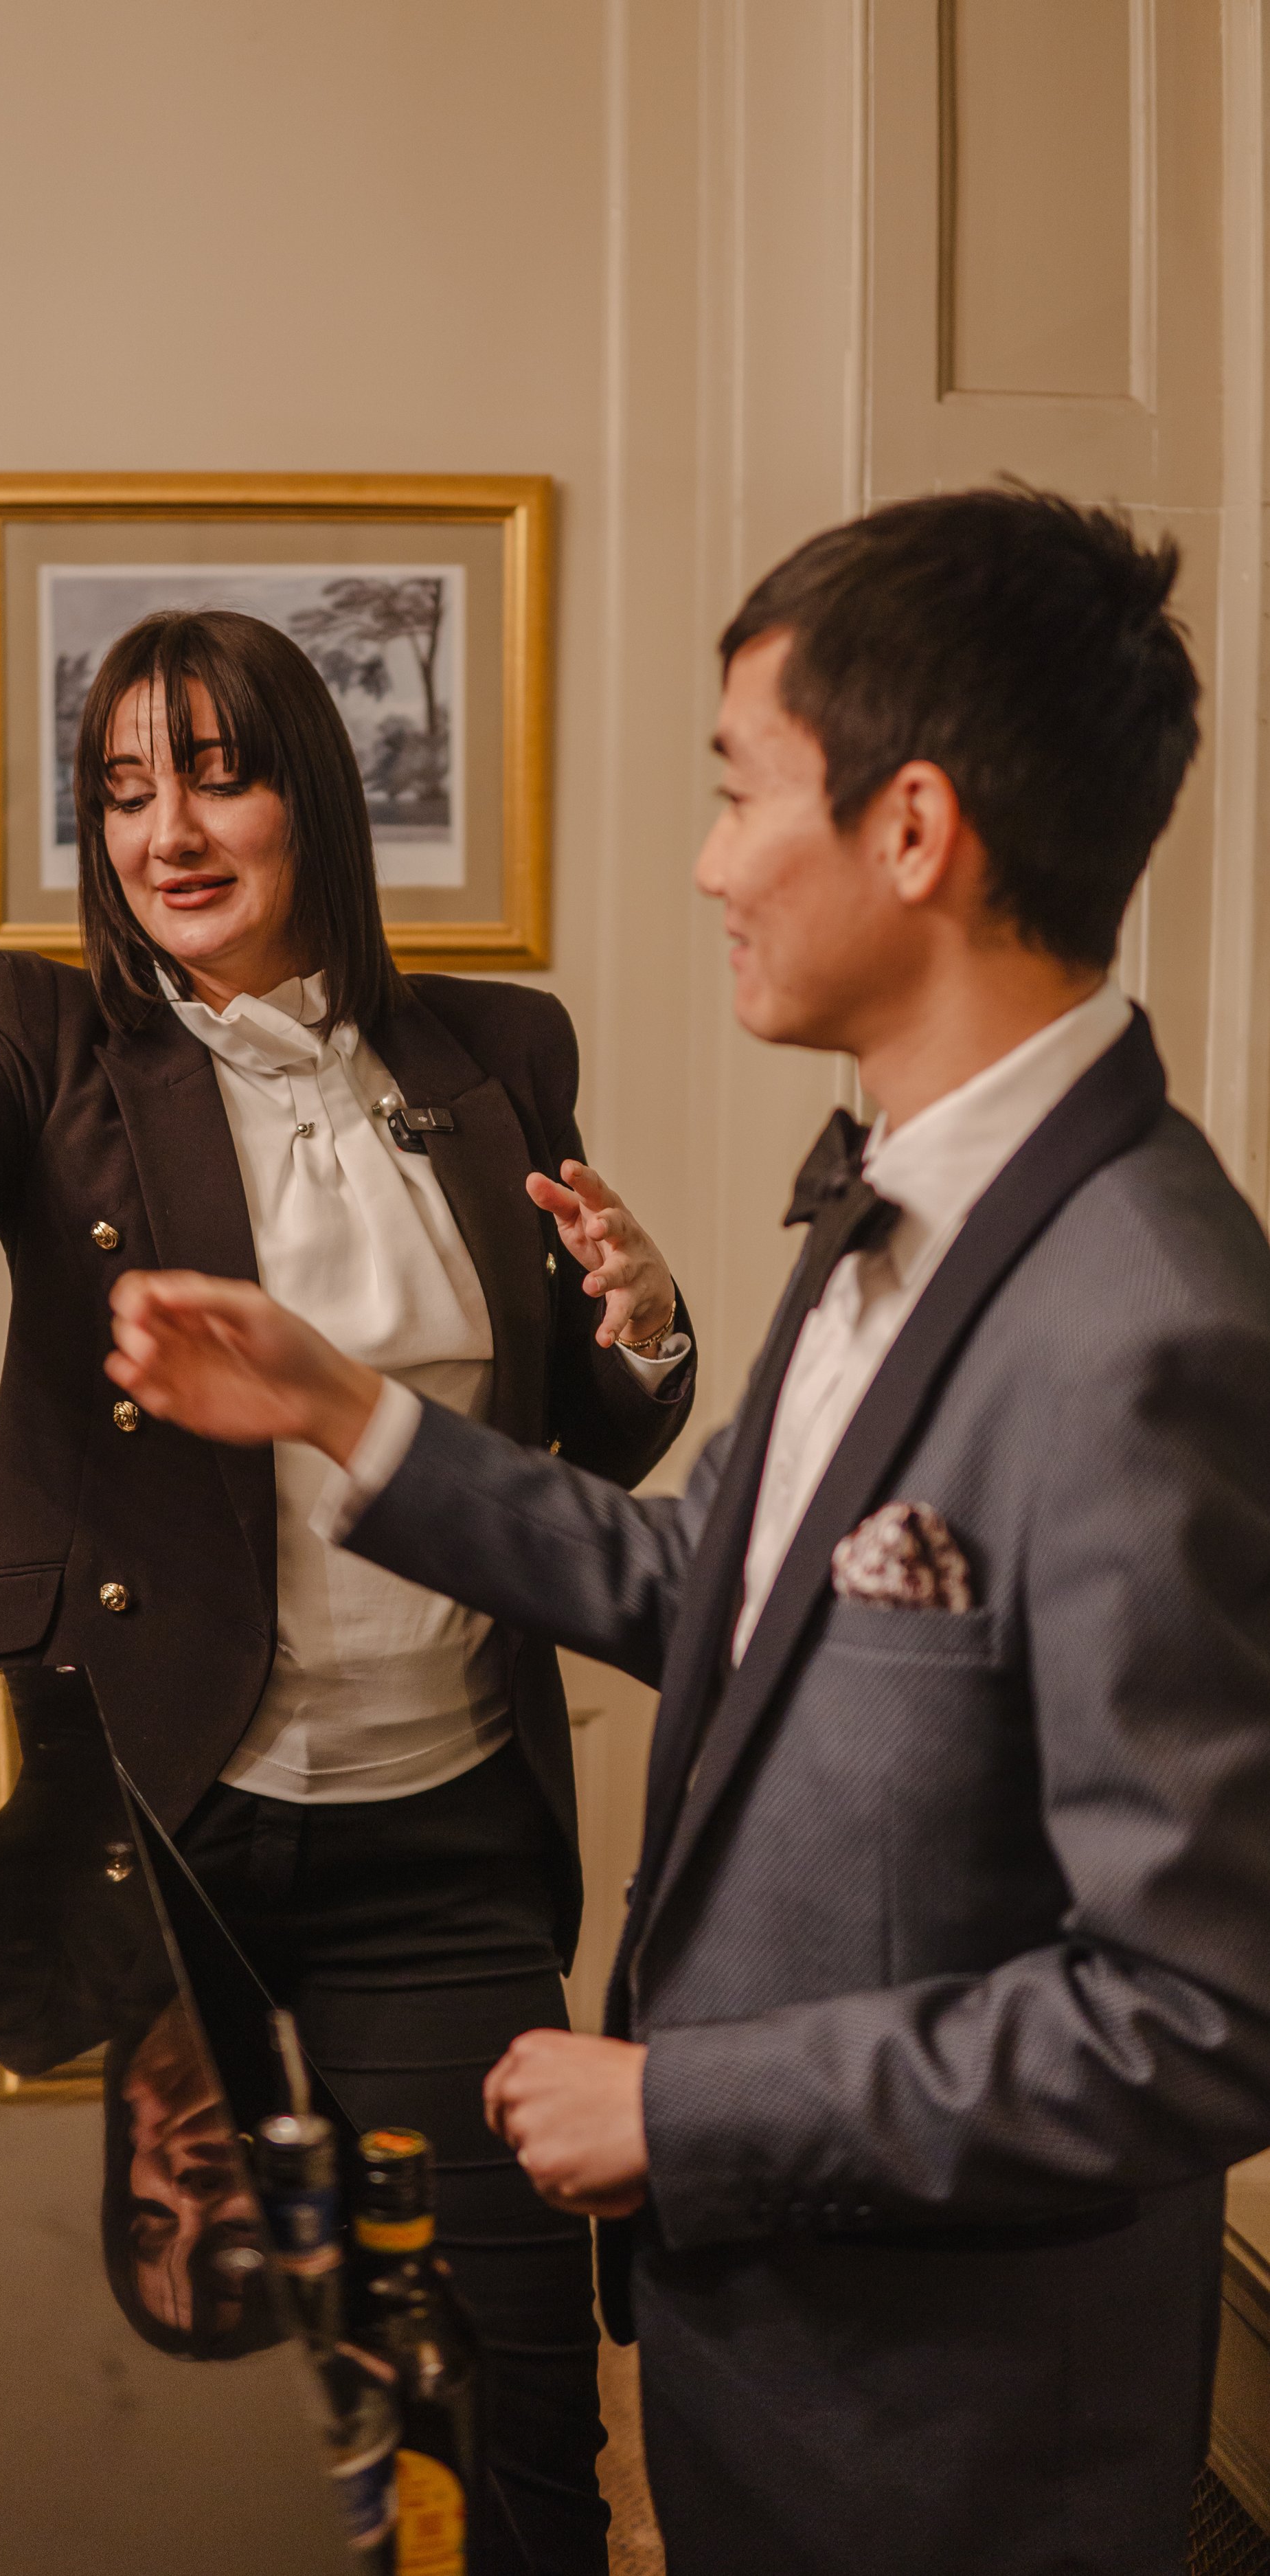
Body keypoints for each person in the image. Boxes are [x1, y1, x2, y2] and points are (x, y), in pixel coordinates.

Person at [103, 493, 1270, 2576]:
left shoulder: (1145, 1324)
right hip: (769, 2380)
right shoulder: (889, 1212)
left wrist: (681, 2108)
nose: (713, 859)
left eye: (742, 794)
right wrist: (335, 1407)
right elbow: (690, 1586)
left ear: (910, 830)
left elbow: (1200, 2012)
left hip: (951, 2436)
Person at [0, 609, 694, 2569]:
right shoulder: (37, 1027)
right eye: (122, 786)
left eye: (216, 772)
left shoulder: (502, 1047)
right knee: (145, 2450)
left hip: (439, 1847)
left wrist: (650, 1331)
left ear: (312, 798)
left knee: (501, 2427)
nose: (166, 828)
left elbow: (575, 1447)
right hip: (130, 1832)